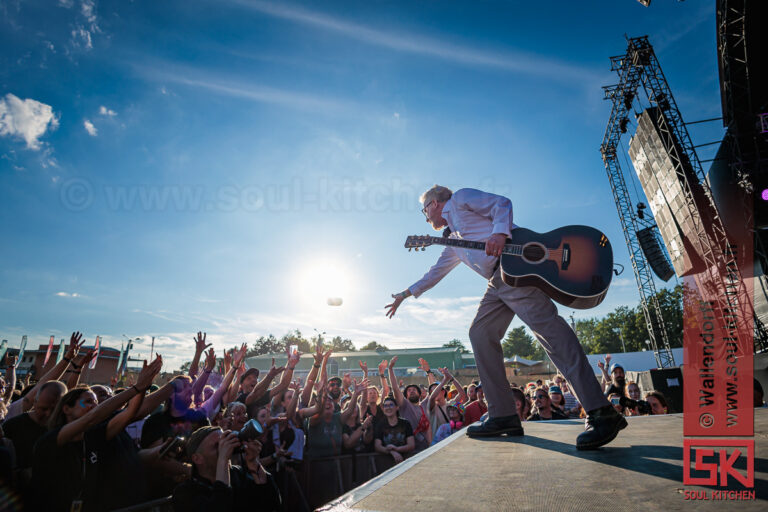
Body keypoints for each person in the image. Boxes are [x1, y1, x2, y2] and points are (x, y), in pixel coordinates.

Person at [386, 186, 625, 449]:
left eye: (424, 210)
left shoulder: (461, 199)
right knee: (480, 333)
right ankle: (503, 415)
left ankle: (600, 411)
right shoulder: (453, 240)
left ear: (433, 203)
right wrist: (405, 294)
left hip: (515, 270)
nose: (426, 216)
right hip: (496, 282)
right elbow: (434, 273)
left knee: (552, 336)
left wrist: (500, 233)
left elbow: (501, 203)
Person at [32, 355, 162, 511]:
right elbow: (92, 418)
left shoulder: (94, 436)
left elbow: (129, 413)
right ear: (66, 408)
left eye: (95, 402)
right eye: (87, 401)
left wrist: (143, 387)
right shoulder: (53, 439)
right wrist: (135, 388)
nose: (94, 405)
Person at [172, 426, 281, 512]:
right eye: (216, 446)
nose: (224, 448)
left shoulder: (236, 474)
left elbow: (272, 503)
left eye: (223, 443)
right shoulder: (185, 493)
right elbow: (219, 507)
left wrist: (253, 462)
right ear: (197, 458)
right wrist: (222, 459)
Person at [373, 396, 415, 464]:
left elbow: (411, 445)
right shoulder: (380, 425)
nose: (388, 408)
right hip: (385, 463)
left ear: (397, 407)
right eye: (386, 406)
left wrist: (396, 449)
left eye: (391, 405)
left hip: (405, 461)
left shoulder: (405, 423)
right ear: (383, 409)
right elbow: (377, 446)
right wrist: (391, 452)